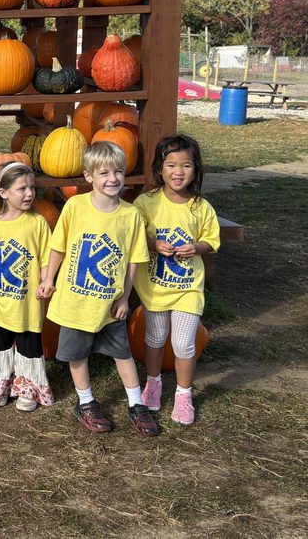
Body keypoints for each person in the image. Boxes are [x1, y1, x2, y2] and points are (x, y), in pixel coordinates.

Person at [40, 142, 159, 436]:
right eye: (104, 172)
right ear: (88, 176)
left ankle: (136, 403)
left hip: (109, 303)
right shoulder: (75, 206)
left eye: (118, 171)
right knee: (77, 354)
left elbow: (134, 259)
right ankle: (86, 402)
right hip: (76, 301)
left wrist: (124, 296)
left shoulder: (130, 215)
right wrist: (48, 278)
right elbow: (58, 246)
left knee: (123, 353)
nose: (112, 178)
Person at [134, 134, 220, 425]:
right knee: (155, 338)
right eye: (171, 165)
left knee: (184, 344)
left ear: (196, 169)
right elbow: (135, 235)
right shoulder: (146, 203)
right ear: (160, 168)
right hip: (155, 288)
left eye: (186, 165)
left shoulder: (200, 207)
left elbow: (211, 240)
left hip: (187, 290)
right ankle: (153, 382)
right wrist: (152, 244)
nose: (178, 172)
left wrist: (196, 247)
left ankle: (184, 394)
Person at [0, 162, 53, 411]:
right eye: (22, 189)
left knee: (29, 343)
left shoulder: (37, 222)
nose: (29, 194)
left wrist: (47, 282)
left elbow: (47, 257)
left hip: (27, 300)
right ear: (3, 192)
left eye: (32, 188)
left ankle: (28, 388)